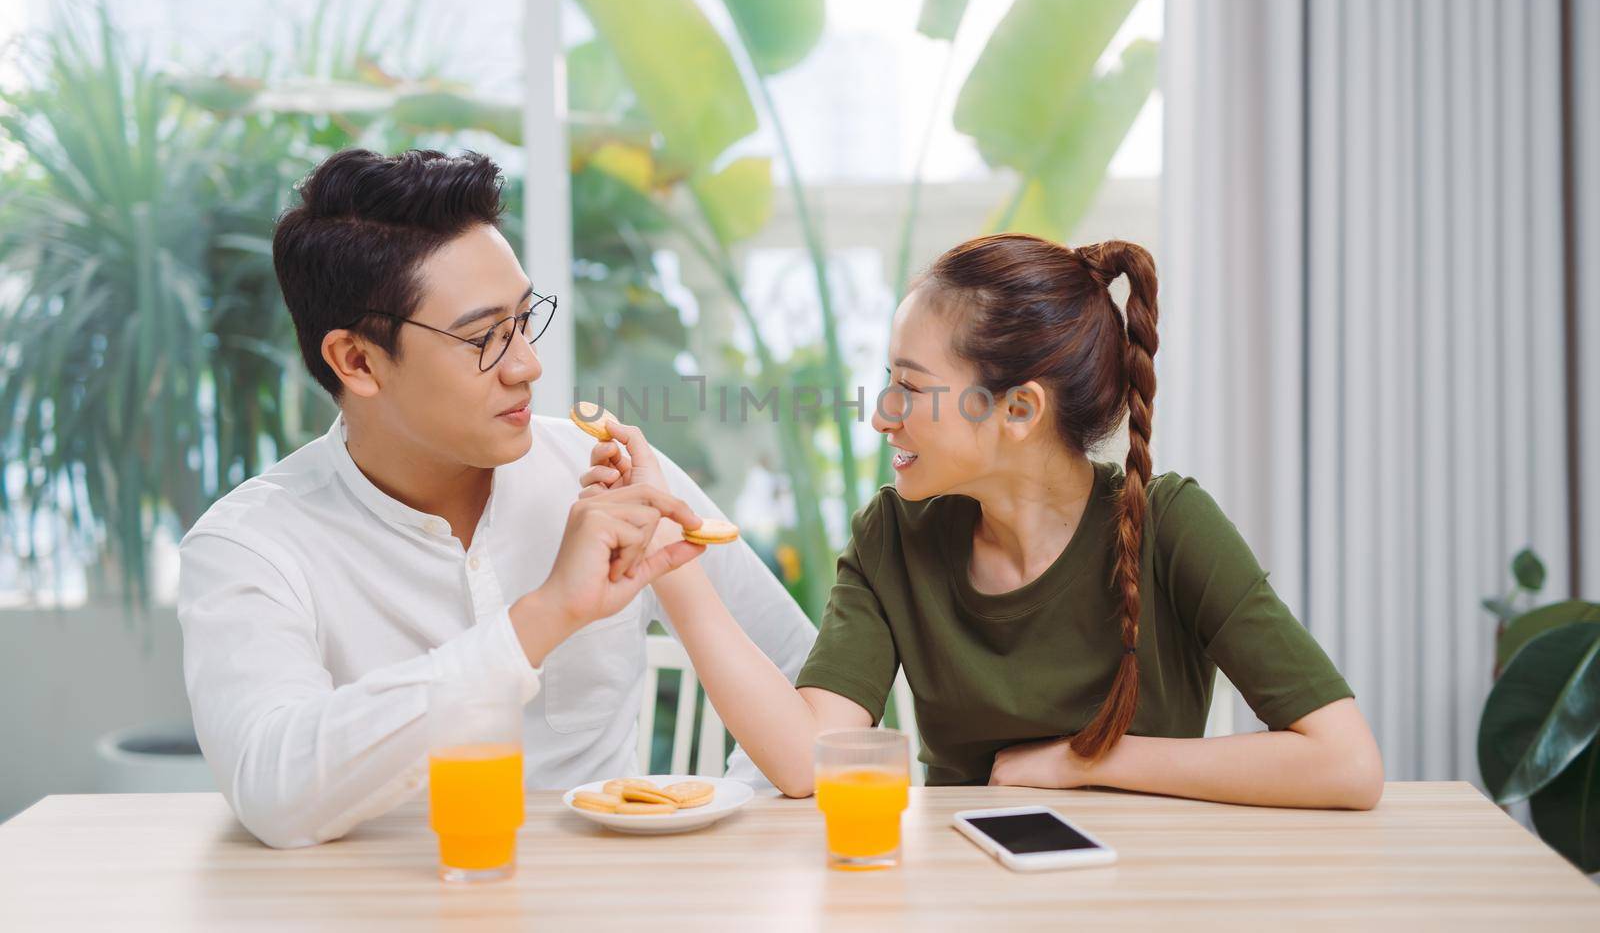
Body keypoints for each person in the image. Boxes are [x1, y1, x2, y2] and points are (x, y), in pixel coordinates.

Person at [583, 233, 1384, 809]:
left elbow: (1345, 764)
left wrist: (1086, 762)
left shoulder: (1170, 524)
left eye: (909, 387)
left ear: (1019, 410)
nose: (882, 416)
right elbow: (806, 762)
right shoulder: (893, 538)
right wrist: (671, 558)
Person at [177, 148, 816, 848]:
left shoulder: (610, 475)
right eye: (484, 337)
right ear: (356, 360)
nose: (528, 365)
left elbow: (806, 675)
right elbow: (274, 790)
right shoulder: (250, 545)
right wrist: (545, 616)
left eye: (523, 319)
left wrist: (730, 822)